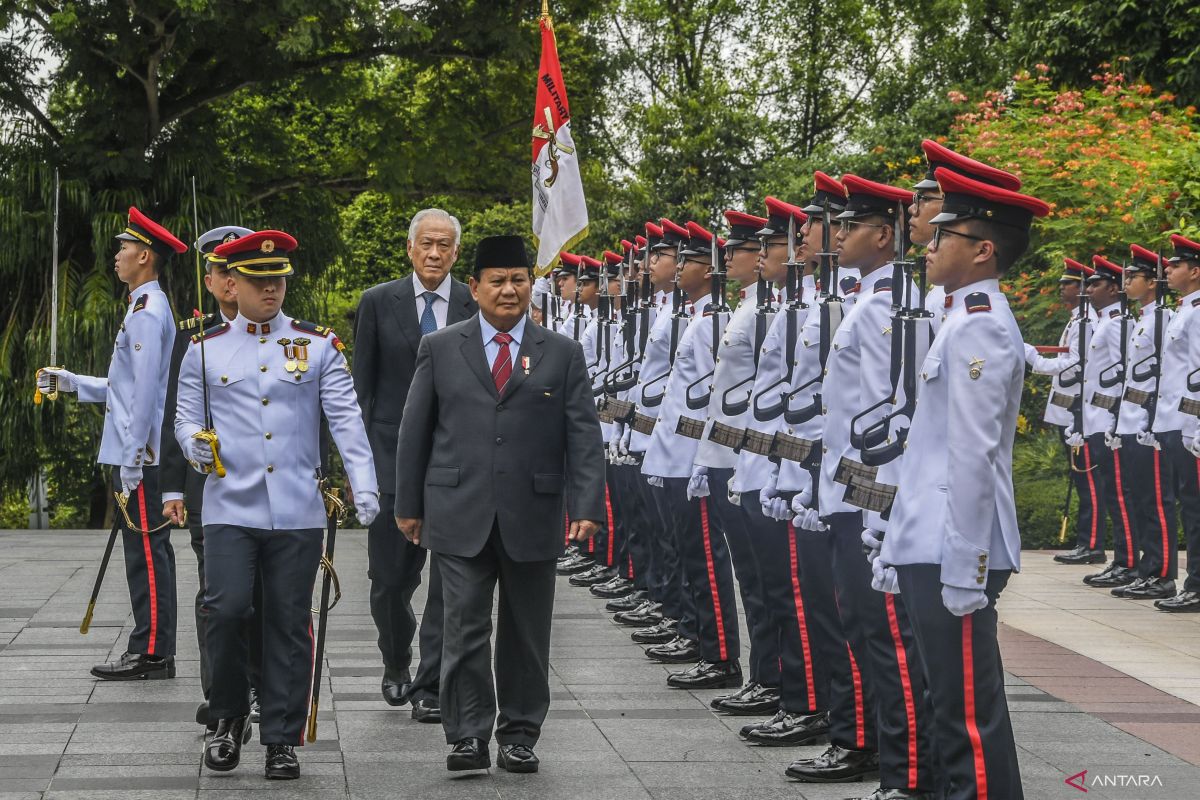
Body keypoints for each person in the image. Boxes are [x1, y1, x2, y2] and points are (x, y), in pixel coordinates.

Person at [393, 234, 605, 773]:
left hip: (532, 511)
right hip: (458, 509)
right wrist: (409, 504)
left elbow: (582, 436)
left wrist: (586, 505)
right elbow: (414, 432)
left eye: (518, 280)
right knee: (462, 628)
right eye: (498, 281)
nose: (509, 290)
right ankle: (466, 734)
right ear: (476, 287)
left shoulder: (561, 352)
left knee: (528, 634)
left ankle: (519, 733)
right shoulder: (441, 348)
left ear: (529, 285)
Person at [175, 229, 379, 780]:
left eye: (278, 281)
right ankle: (227, 718)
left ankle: (282, 739)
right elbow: (185, 418)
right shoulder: (203, 349)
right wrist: (194, 444)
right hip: (228, 506)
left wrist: (365, 485)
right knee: (226, 608)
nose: (271, 290)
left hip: (296, 507)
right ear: (230, 284)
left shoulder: (316, 345)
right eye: (258, 281)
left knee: (288, 621)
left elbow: (345, 417)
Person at [876, 166, 1050, 800]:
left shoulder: (981, 323)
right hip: (932, 539)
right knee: (947, 710)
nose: (929, 242)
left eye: (944, 233)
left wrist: (966, 565)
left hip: (955, 547)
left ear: (983, 249)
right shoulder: (960, 318)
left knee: (967, 719)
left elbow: (974, 456)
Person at [788, 175, 936, 796]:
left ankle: (906, 769)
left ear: (883, 234)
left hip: (867, 495)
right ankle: (873, 743)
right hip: (843, 489)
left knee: (884, 637)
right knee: (859, 626)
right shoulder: (866, 300)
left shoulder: (886, 307)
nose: (838, 235)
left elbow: (889, 417)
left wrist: (878, 511)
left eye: (851, 227)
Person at [37, 207, 186, 680]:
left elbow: (145, 395)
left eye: (123, 248)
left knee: (147, 553)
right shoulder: (144, 307)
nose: (116, 255)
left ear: (145, 256)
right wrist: (70, 382)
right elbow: (125, 388)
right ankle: (148, 646)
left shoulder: (147, 313)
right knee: (142, 554)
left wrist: (134, 458)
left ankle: (153, 654)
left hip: (141, 453)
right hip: (138, 449)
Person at [352, 208, 476, 721]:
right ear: (409, 248)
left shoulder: (475, 303)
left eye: (444, 245)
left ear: (455, 252)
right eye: (426, 244)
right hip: (388, 461)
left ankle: (431, 683)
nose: (434, 254)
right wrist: (356, 468)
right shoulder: (379, 302)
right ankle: (396, 659)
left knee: (451, 582)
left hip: (455, 463)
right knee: (389, 582)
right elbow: (360, 388)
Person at [160, 225, 263, 727]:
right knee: (217, 598)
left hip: (270, 492)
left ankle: (263, 687)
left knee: (264, 596)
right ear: (209, 280)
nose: (229, 281)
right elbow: (174, 414)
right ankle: (220, 694)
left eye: (236, 270)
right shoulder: (191, 338)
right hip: (211, 488)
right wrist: (174, 485)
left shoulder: (285, 334)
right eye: (221, 271)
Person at [1024, 259, 1103, 564]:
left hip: (1077, 412)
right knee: (1080, 478)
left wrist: (1036, 361)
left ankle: (1092, 545)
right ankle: (1087, 543)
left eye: (1068, 283)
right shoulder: (1076, 319)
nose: (1061, 287)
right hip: (1067, 411)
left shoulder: (1086, 322)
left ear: (1082, 288)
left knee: (1087, 481)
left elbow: (1076, 365)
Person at [1110, 244, 1177, 600]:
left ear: (1152, 282)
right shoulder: (1143, 320)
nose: (1126, 282)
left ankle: (1162, 574)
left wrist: (1151, 421)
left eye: (1132, 277)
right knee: (1139, 498)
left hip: (1149, 422)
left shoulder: (1163, 318)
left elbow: (1164, 374)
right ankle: (1146, 568)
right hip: (1133, 421)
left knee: (1156, 501)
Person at [1076, 256, 1139, 588]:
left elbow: (1123, 373)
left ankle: (1128, 561)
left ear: (1114, 288)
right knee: (1114, 493)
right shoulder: (1102, 321)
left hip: (1110, 420)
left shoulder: (1117, 323)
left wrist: (1114, 417)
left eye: (1096, 284)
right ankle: (1124, 559)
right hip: (1096, 418)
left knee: (1120, 493)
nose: (1088, 289)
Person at [1150, 234, 1200, 613]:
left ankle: (1196, 584)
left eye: (1176, 265)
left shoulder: (1197, 313)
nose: (1167, 270)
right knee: (1188, 504)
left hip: (1190, 425)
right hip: (1174, 421)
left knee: (1195, 506)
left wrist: (1196, 426)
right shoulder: (1183, 311)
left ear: (1195, 272)